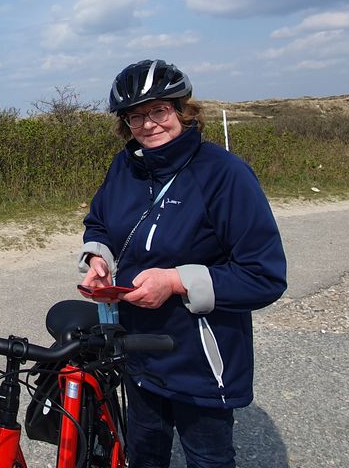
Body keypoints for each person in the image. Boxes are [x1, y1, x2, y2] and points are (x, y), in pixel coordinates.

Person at [80, 60, 286, 468]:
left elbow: (264, 276)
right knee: (144, 453)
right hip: (137, 349)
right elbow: (100, 221)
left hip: (200, 360)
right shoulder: (125, 166)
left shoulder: (225, 174)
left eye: (159, 110)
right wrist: (98, 258)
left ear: (182, 110)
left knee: (207, 458)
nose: (148, 124)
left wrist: (176, 282)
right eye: (135, 116)